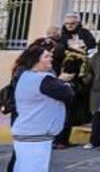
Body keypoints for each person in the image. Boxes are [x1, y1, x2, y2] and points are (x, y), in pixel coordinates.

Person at [11, 44, 75, 172]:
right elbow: (68, 93)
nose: (51, 58)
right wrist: (65, 83)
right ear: (36, 60)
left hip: (26, 132)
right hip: (36, 135)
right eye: (46, 56)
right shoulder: (43, 79)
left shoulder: (25, 76)